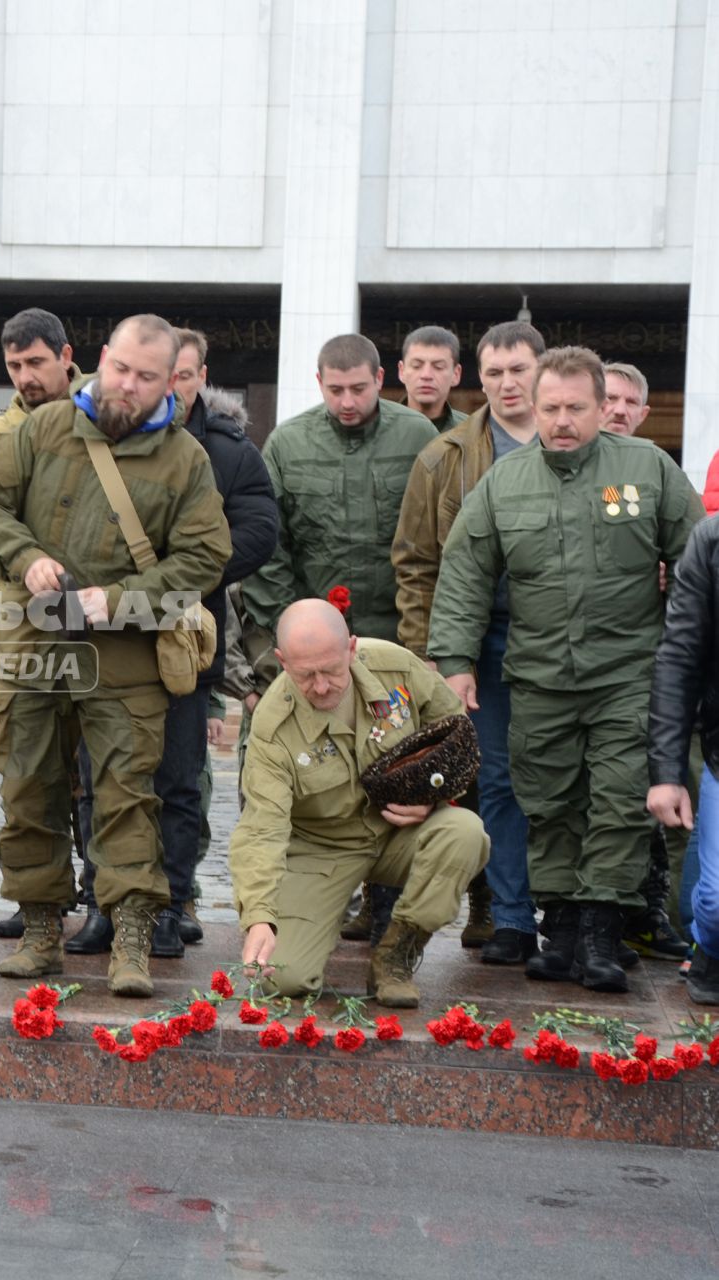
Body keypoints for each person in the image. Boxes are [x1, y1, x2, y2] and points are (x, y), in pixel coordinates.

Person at [0, 313, 231, 997]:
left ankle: (132, 936)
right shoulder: (40, 429)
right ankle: (42, 928)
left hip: (125, 654)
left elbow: (205, 558)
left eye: (145, 377)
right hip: (32, 637)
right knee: (28, 786)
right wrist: (25, 559)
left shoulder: (186, 459)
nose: (127, 386)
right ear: (101, 359)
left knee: (126, 795)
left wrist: (128, 598)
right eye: (120, 369)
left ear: (171, 380)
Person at [429, 346, 702, 993]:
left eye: (575, 408)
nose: (561, 420)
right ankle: (564, 927)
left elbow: (695, 567)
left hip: (628, 675)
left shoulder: (647, 470)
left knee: (615, 801)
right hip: (540, 674)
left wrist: (685, 661)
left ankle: (604, 930)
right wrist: (456, 660)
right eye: (550, 408)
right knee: (548, 801)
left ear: (602, 406)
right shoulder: (505, 480)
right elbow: (466, 569)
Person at [243, 332, 438, 943]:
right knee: (318, 767)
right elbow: (271, 543)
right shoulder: (290, 442)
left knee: (396, 763)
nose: (347, 401)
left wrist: (420, 637)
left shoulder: (418, 438)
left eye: (358, 388)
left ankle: (385, 901)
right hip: (316, 641)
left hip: (391, 634)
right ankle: (314, 889)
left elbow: (433, 539)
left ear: (381, 379)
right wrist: (289, 624)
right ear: (318, 383)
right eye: (335, 390)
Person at [104, 328, 276, 961]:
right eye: (156, 374)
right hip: (109, 636)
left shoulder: (230, 450)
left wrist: (187, 575)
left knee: (178, 777)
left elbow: (260, 529)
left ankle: (173, 902)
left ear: (201, 376)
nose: (168, 386)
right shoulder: (104, 440)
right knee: (110, 777)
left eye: (180, 375)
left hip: (185, 638)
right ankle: (112, 902)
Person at [230, 600, 489, 1004]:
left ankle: (397, 954)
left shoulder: (397, 668)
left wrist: (433, 797)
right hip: (322, 850)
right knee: (281, 980)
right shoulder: (272, 725)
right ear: (282, 661)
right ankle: (312, 928)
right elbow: (262, 830)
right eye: (304, 675)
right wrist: (259, 917)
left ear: (351, 648)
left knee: (466, 833)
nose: (320, 687)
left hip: (398, 832)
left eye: (331, 671)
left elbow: (455, 733)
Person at [392, 319, 546, 963]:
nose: (507, 384)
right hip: (484, 641)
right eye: (495, 373)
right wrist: (435, 656)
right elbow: (416, 563)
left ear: (544, 368)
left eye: (519, 370)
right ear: (476, 379)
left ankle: (576, 916)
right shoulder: (445, 456)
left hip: (569, 639)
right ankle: (510, 916)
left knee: (568, 781)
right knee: (500, 782)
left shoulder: (587, 438)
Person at [0, 308, 89, 939]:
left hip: (96, 617)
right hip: (20, 619)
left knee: (99, 766)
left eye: (35, 363)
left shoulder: (103, 413)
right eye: (13, 367)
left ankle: (108, 897)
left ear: (66, 355)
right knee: (26, 765)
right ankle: (38, 898)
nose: (25, 377)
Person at [647, 510, 719, 1004]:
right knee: (714, 903)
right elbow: (679, 659)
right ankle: (710, 948)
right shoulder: (711, 541)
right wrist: (667, 775)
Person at [396, 325, 467, 431]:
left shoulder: (472, 433)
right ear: (402, 371)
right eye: (417, 366)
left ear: (456, 374)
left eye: (438, 367)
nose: (426, 375)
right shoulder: (379, 430)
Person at [601, 362, 651, 436]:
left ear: (642, 415)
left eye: (631, 402)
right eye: (610, 398)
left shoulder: (650, 448)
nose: (620, 411)